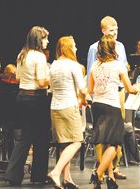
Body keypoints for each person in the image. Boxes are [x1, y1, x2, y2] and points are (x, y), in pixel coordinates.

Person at [88, 35, 137, 189]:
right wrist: (138, 88)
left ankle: (111, 179)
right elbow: (130, 88)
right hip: (111, 106)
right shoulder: (118, 65)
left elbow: (90, 90)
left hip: (97, 106)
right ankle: (98, 173)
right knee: (114, 143)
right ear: (112, 49)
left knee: (104, 142)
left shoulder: (95, 66)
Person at [5, 26, 51, 186]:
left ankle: (13, 174)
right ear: (39, 39)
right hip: (36, 99)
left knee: (25, 137)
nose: (47, 41)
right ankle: (38, 175)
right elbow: (41, 81)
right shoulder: (39, 56)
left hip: (22, 97)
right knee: (42, 138)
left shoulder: (22, 54)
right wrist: (52, 76)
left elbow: (18, 77)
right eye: (45, 38)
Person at [87, 15, 128, 180]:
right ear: (103, 31)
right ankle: (100, 167)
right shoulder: (93, 48)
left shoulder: (121, 46)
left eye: (117, 30)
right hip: (101, 94)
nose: (115, 33)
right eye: (112, 30)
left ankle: (114, 168)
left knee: (116, 132)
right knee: (102, 134)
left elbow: (123, 67)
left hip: (118, 92)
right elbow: (91, 71)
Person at [47, 36, 87, 189]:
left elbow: (50, 88)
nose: (76, 48)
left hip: (55, 107)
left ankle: (67, 179)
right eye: (74, 46)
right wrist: (84, 99)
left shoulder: (54, 65)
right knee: (77, 141)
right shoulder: (73, 65)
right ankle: (56, 172)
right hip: (69, 107)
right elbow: (82, 89)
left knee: (64, 143)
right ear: (69, 47)